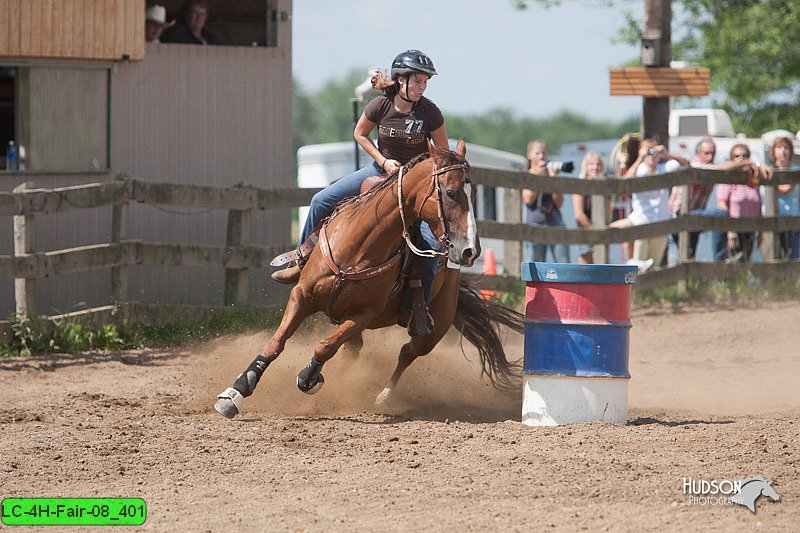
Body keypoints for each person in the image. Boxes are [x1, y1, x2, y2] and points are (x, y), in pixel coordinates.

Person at [271, 50, 447, 335]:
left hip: (412, 188)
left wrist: (422, 175)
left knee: (430, 247)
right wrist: (383, 161)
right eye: (417, 80)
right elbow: (360, 134)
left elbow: (442, 153)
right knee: (320, 200)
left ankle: (419, 307)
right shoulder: (380, 105)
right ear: (400, 80)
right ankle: (300, 262)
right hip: (378, 173)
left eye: (425, 82)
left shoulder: (430, 112)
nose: (422, 86)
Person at [665, 138, 755, 262]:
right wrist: (747, 162)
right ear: (698, 153)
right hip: (679, 216)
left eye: (712, 153)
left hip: (694, 216)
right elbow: (718, 169)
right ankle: (720, 260)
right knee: (721, 214)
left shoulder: (711, 167)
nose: (710, 156)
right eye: (706, 153)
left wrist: (754, 166)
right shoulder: (695, 164)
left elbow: (726, 169)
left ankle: (712, 267)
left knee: (688, 259)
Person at [610, 139, 688, 272]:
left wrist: (667, 154)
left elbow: (685, 164)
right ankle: (636, 292)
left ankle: (648, 292)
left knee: (654, 264)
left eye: (653, 151)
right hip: (641, 222)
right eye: (648, 151)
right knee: (638, 265)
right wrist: (640, 157)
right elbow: (624, 183)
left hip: (660, 222)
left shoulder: (664, 168)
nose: (651, 155)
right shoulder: (639, 169)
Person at [716, 144, 771, 262]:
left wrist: (760, 231)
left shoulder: (753, 177)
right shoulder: (728, 178)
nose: (741, 158)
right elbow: (722, 204)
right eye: (737, 156)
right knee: (734, 261)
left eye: (744, 156)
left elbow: (758, 203)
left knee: (746, 261)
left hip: (751, 227)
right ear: (732, 158)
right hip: (735, 227)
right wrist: (730, 230)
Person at [521, 140, 570, 263]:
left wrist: (554, 181)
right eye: (537, 153)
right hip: (534, 226)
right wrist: (538, 178)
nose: (541, 156)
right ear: (529, 155)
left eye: (543, 153)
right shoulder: (527, 176)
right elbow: (528, 199)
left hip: (555, 223)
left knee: (563, 265)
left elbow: (559, 203)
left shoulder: (551, 173)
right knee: (536, 267)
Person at [572, 151, 605, 264]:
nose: (595, 167)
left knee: (601, 266)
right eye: (591, 164)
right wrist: (594, 231)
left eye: (598, 164)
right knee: (585, 268)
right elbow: (579, 215)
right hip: (586, 232)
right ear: (585, 167)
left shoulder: (604, 186)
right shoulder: (580, 185)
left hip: (600, 232)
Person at [770, 136, 800, 259]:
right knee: (774, 256)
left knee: (794, 256)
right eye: (779, 147)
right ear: (773, 151)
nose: (783, 151)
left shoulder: (796, 170)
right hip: (772, 220)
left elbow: (786, 190)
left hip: (794, 218)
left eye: (786, 147)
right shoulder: (769, 170)